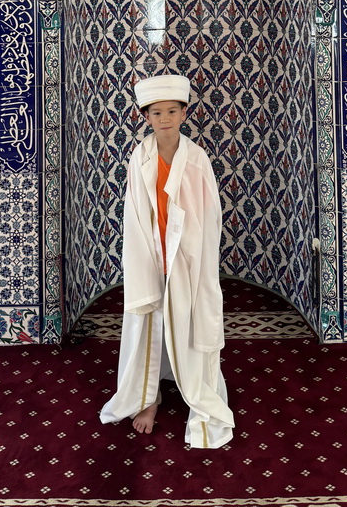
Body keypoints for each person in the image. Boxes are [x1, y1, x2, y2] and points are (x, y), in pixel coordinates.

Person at [99, 73, 234, 449]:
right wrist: (147, 261)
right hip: (151, 255)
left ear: (184, 113)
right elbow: (134, 216)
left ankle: (196, 393)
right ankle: (149, 398)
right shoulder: (139, 158)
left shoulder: (197, 159)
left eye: (172, 111)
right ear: (146, 117)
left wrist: (194, 261)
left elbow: (209, 217)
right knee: (149, 326)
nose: (164, 119)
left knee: (189, 324)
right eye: (156, 113)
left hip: (187, 258)